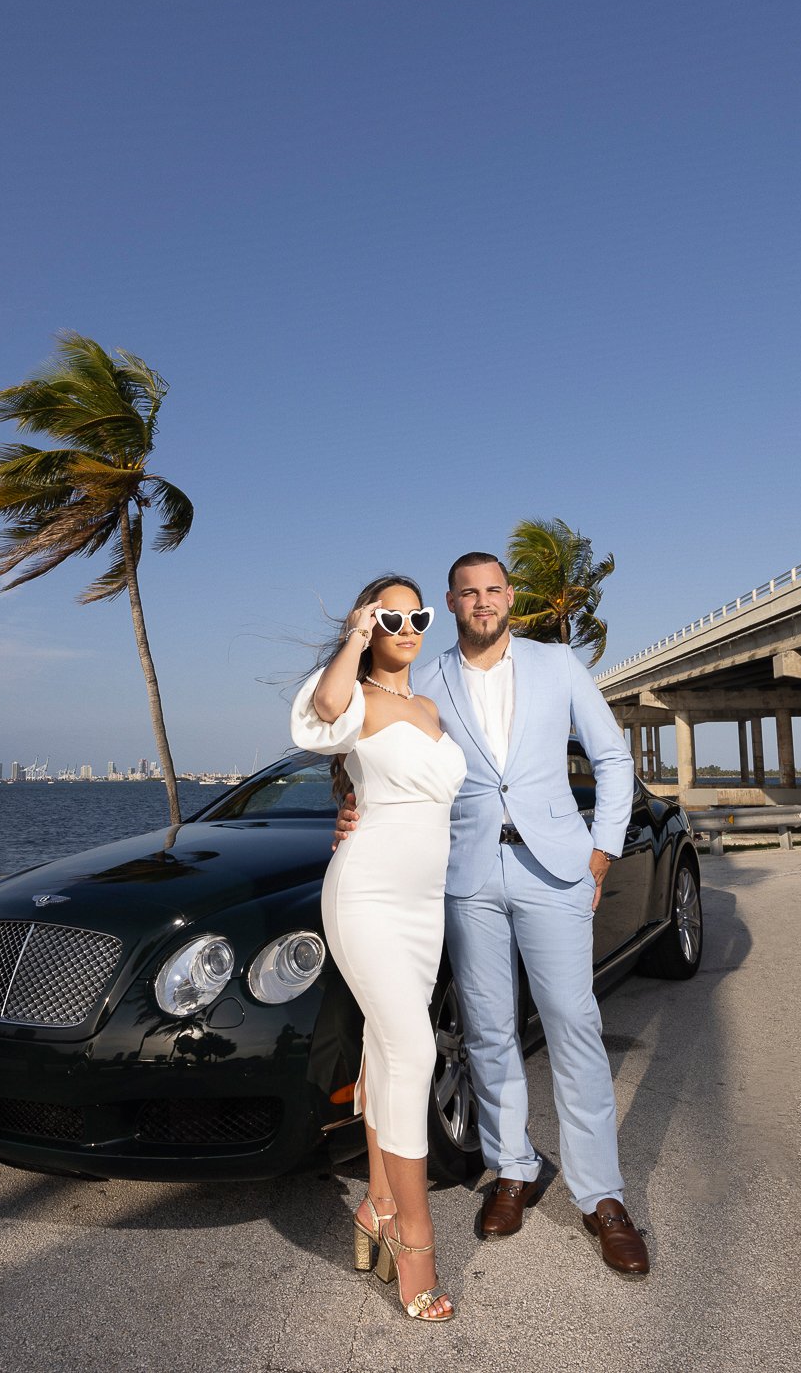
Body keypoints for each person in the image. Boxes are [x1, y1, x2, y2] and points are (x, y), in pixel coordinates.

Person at [337, 551, 651, 1277]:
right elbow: (377, 742)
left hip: (555, 871)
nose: (482, 603)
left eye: (493, 591)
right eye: (468, 593)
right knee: (486, 1029)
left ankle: (602, 1196)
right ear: (451, 603)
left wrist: (601, 851)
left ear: (511, 598)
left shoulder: (559, 665)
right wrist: (349, 805)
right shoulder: (429, 677)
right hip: (468, 873)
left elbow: (611, 758)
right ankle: (514, 1169)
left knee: (573, 1024)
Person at [292, 574, 467, 1323]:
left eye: (415, 615)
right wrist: (355, 636)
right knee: (415, 1050)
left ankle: (374, 1208)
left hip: (423, 907)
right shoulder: (354, 697)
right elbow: (322, 712)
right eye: (390, 614)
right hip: (363, 895)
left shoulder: (428, 707)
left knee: (387, 1051)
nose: (406, 625)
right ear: (370, 621)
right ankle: (415, 1239)